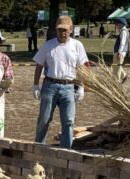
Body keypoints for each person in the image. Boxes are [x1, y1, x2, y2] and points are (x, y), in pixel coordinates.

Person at [33, 15, 89, 149]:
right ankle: (39, 146)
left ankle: (66, 149)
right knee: (44, 119)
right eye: (59, 30)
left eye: (65, 30)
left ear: (71, 29)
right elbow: (39, 64)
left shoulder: (77, 45)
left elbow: (82, 67)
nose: (62, 33)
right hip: (49, 85)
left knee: (68, 121)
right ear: (55, 30)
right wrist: (36, 85)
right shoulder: (48, 45)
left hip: (68, 87)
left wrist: (81, 87)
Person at [113, 17, 129, 83]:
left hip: (120, 52)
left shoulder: (123, 31)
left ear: (120, 24)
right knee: (116, 66)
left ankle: (117, 82)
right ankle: (124, 76)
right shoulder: (123, 31)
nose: (116, 26)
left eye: (116, 24)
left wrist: (119, 52)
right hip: (120, 52)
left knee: (116, 68)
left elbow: (122, 43)